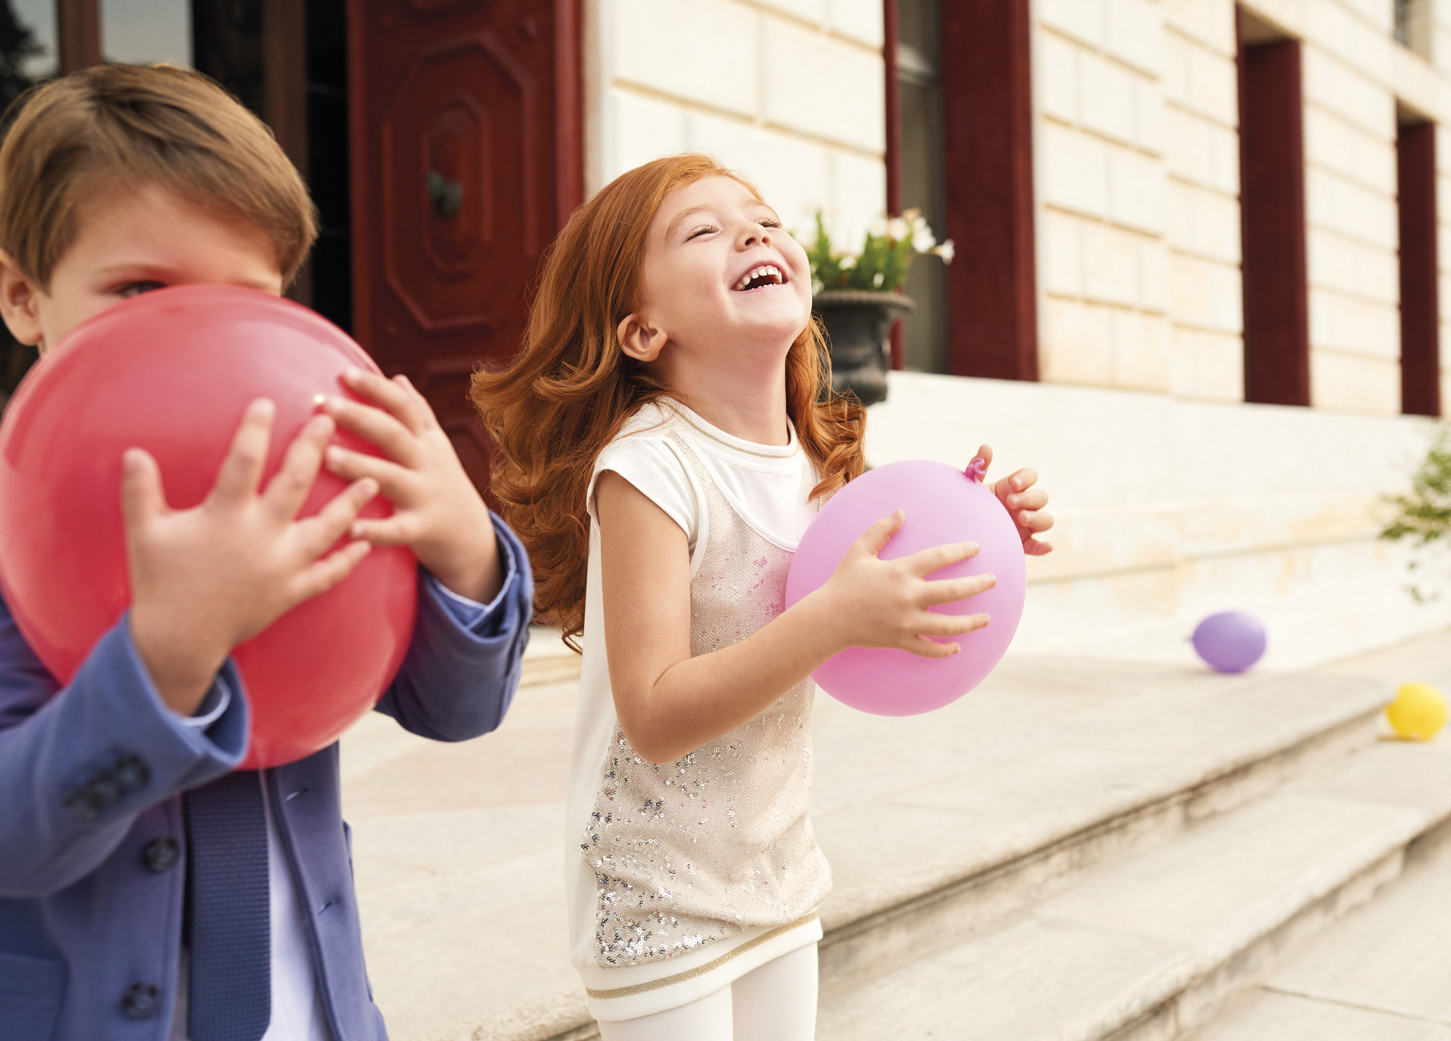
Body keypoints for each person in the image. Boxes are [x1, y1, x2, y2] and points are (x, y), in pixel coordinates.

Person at [0, 65, 531, 1040]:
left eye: (241, 295)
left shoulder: (314, 471)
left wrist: (464, 553)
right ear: (24, 297)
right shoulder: (10, 520)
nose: (193, 331)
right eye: (141, 289)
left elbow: (455, 710)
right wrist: (160, 663)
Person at [472, 154, 1053, 1040]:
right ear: (640, 331)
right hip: (655, 892)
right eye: (702, 231)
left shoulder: (814, 457)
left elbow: (868, 609)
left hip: (777, 866)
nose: (755, 232)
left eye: (765, 219)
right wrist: (829, 618)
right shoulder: (650, 467)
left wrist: (981, 529)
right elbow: (656, 713)